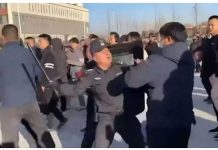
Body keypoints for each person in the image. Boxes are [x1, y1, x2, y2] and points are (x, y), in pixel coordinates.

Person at [108, 22, 196, 148]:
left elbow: (131, 79)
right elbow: (163, 76)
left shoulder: (156, 61)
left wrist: (139, 68)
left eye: (161, 38)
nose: (159, 41)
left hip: (161, 125)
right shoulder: (188, 60)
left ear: (169, 39)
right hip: (183, 121)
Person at [61, 39, 145, 148]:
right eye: (101, 51)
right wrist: (57, 86)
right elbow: (75, 89)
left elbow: (138, 77)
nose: (106, 52)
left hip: (125, 115)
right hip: (106, 118)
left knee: (139, 144)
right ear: (95, 57)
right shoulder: (90, 74)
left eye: (107, 50)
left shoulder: (122, 67)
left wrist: (143, 67)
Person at [0, 24, 55, 148]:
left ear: (3, 37)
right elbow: (39, 74)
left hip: (9, 105)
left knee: (10, 140)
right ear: (18, 36)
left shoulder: (1, 55)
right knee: (42, 132)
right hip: (30, 101)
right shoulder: (29, 53)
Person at [38, 34, 68, 129]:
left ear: (47, 41)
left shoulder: (49, 53)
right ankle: (60, 119)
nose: (39, 43)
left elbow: (49, 71)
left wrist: (44, 85)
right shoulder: (46, 52)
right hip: (51, 83)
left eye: (40, 41)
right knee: (49, 104)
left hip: (49, 84)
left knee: (47, 104)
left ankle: (53, 122)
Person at [206, 15, 218, 138]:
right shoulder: (211, 39)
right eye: (208, 24)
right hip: (211, 76)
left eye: (212, 24)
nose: (209, 27)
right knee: (215, 103)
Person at [66, 37, 86, 109]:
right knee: (71, 87)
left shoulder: (79, 51)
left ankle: (82, 105)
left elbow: (81, 63)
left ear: (76, 43)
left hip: (78, 70)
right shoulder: (69, 51)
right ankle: (68, 104)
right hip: (72, 70)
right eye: (70, 43)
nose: (71, 44)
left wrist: (70, 61)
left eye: (72, 43)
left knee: (79, 87)